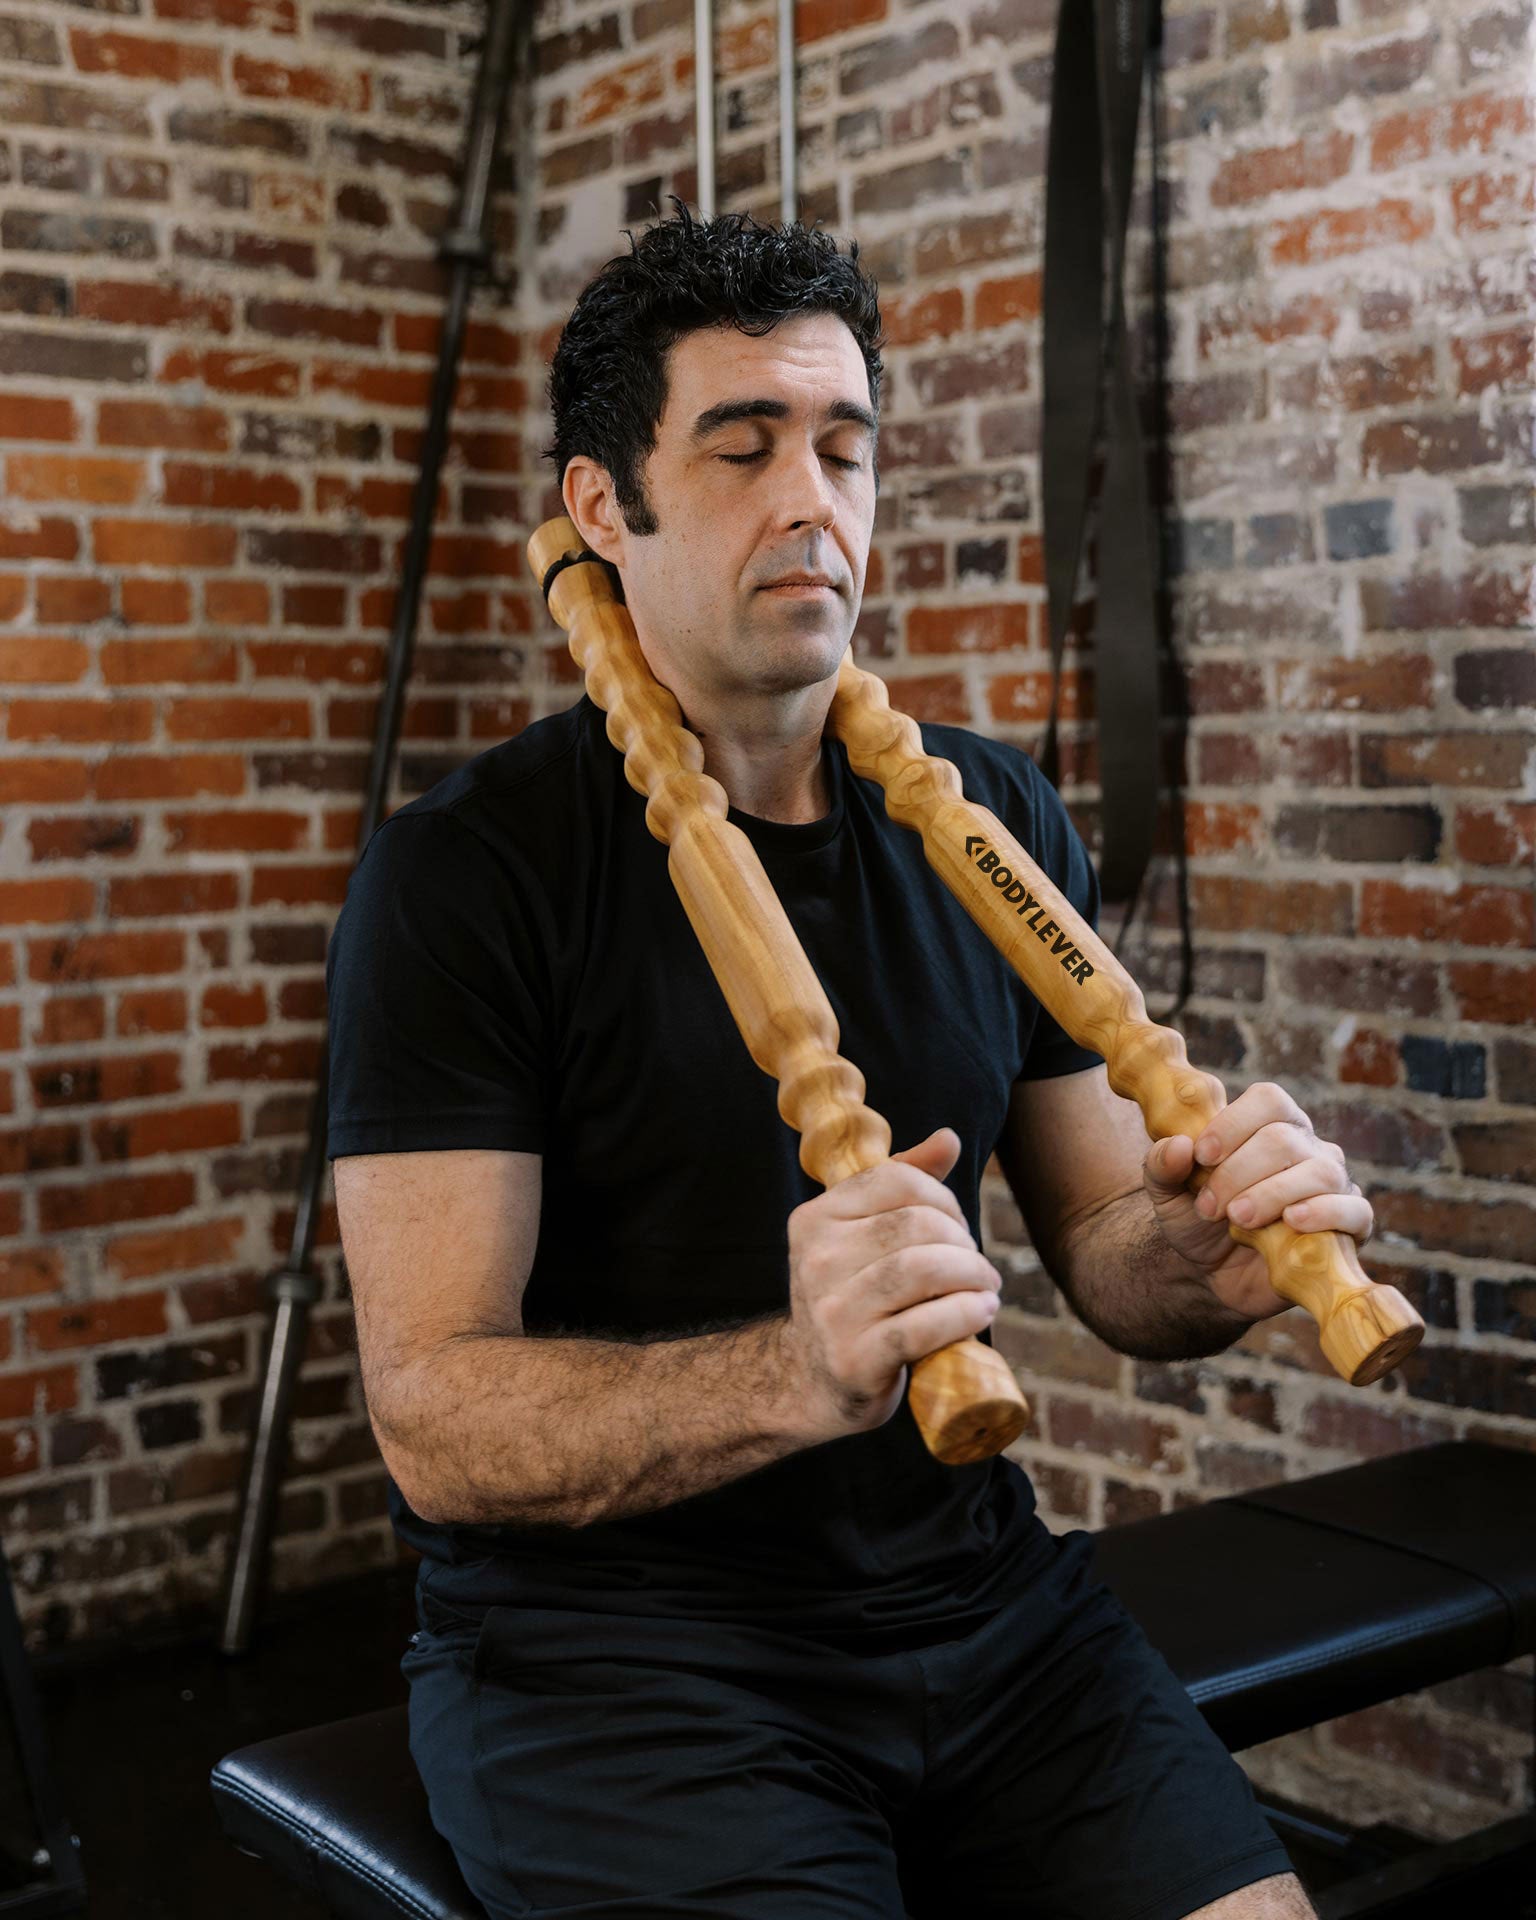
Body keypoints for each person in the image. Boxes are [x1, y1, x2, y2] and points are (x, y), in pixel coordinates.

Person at [327, 208, 1364, 1919]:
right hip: (616, 1668)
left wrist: (1200, 1254)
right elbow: (434, 1416)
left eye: (844, 447)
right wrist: (794, 1371)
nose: (812, 501)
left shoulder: (996, 827)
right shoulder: (466, 877)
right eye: (741, 449)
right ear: (606, 505)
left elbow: (1110, 1251)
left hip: (986, 1612)